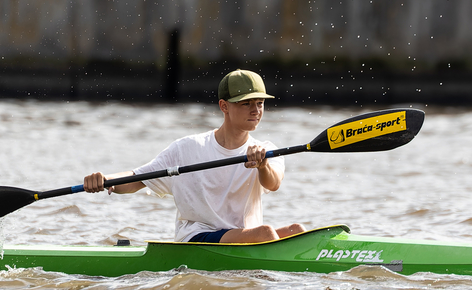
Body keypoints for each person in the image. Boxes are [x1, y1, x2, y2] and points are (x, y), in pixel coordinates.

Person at [83, 69, 306, 244]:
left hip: (245, 237)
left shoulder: (266, 150)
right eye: (246, 103)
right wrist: (105, 181)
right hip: (196, 237)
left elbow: (273, 183)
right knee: (266, 233)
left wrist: (262, 166)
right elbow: (137, 178)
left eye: (260, 103)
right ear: (224, 106)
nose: (255, 110)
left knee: (298, 232)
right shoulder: (187, 148)